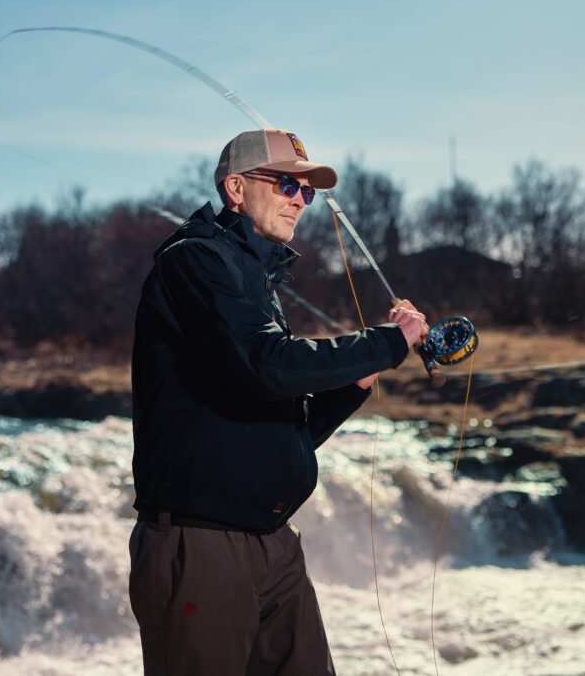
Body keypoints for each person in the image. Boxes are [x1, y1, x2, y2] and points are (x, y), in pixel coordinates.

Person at [129, 128, 428, 675]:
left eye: (307, 191)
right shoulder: (194, 262)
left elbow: (279, 425)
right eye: (287, 183)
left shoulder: (255, 276)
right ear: (236, 188)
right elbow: (269, 363)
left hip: (276, 545)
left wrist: (352, 383)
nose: (299, 199)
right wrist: (383, 345)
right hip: (202, 548)